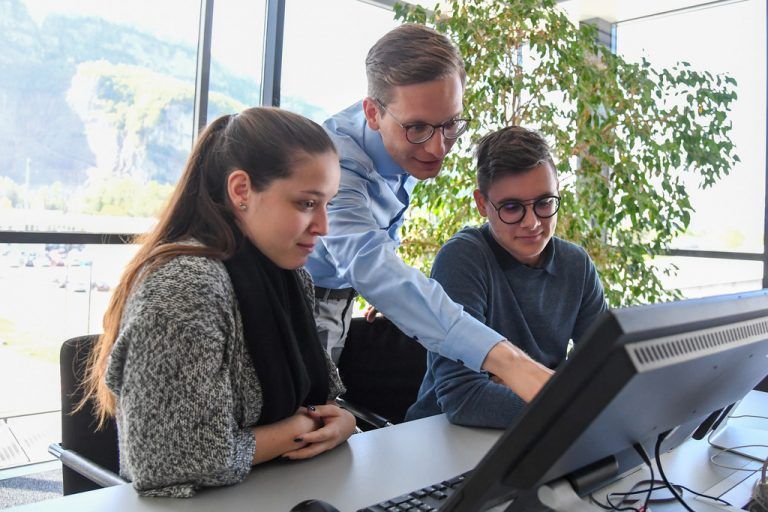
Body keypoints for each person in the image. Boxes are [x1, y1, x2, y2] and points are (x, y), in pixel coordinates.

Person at [79, 107, 357, 497]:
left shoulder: (290, 278)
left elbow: (324, 397)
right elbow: (169, 460)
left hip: (280, 493)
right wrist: (296, 431)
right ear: (241, 190)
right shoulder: (185, 287)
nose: (324, 226)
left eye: (327, 203)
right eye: (307, 204)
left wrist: (342, 421)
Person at [306, 24, 553, 402]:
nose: (438, 148)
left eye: (451, 123)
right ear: (373, 113)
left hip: (342, 296)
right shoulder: (335, 164)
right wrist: (510, 362)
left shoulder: (412, 136)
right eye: (418, 127)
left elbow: (377, 244)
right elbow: (368, 263)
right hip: (295, 301)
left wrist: (396, 298)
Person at [406, 126, 608, 428]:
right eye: (512, 207)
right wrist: (570, 404)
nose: (532, 222)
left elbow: (604, 369)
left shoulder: (576, 264)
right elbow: (464, 398)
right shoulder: (464, 258)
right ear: (482, 204)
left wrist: (523, 388)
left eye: (544, 203)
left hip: (538, 432)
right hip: (442, 439)